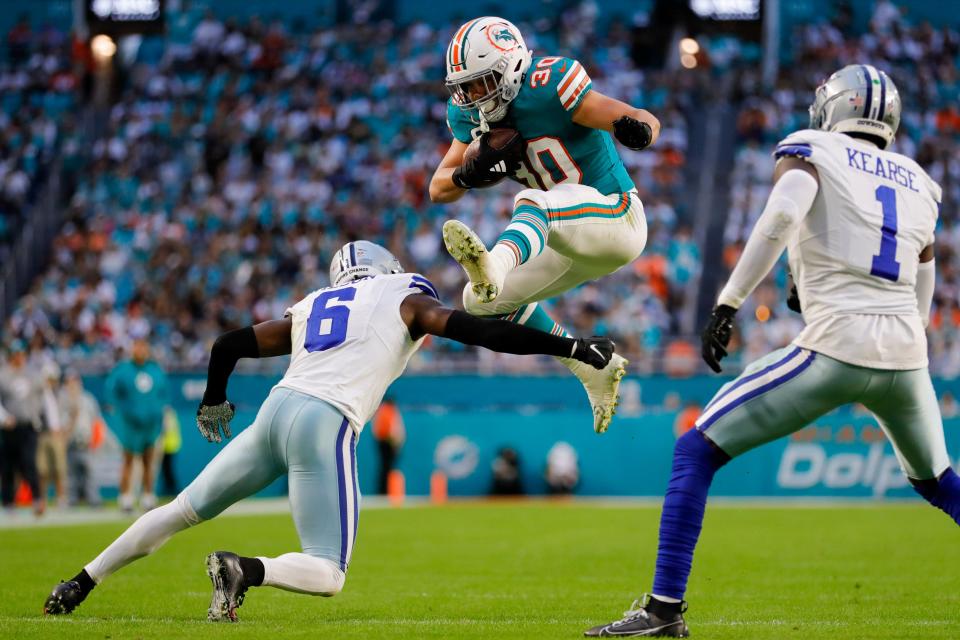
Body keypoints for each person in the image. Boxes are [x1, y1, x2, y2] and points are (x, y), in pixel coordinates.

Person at [43, 240, 616, 621]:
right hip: (325, 420)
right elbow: (480, 332)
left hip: (275, 413)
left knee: (179, 510)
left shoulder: (315, 302)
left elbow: (228, 344)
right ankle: (245, 570)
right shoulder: (403, 296)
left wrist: (214, 397)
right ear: (387, 269)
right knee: (328, 573)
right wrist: (568, 345)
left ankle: (78, 584)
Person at [584, 65, 959, 638]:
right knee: (939, 484)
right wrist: (919, 342)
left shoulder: (814, 147)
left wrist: (729, 303)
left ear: (833, 108)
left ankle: (663, 613)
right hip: (904, 356)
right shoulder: (919, 180)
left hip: (835, 347)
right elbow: (924, 272)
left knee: (695, 451)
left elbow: (783, 214)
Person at [430, 17, 662, 434]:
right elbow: (438, 187)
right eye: (464, 87)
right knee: (479, 302)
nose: (472, 97)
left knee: (535, 203)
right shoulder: (471, 117)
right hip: (560, 240)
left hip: (617, 217)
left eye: (481, 83)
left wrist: (640, 130)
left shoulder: (551, 84)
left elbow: (639, 116)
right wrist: (468, 173)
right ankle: (588, 365)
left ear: (511, 67)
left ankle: (495, 263)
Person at [105, 339, 169, 512]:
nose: (140, 350)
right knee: (128, 459)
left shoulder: (155, 371)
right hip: (130, 424)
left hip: (150, 424)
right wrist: (121, 411)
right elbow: (111, 392)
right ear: (132, 348)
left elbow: (164, 395)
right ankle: (125, 498)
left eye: (143, 346)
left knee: (148, 460)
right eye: (137, 346)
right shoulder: (123, 370)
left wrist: (159, 414)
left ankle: (148, 497)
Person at [0, 341, 44, 515]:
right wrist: (4, 419)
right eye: (16, 354)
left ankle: (37, 500)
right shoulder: (3, 375)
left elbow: (42, 398)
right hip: (10, 427)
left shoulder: (32, 375)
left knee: (29, 463)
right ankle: (9, 502)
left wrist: (38, 416)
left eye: (22, 354)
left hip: (29, 426)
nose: (19, 357)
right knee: (8, 466)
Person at [59, 369, 104, 507]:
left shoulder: (87, 399)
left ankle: (94, 500)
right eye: (70, 382)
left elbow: (96, 420)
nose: (72, 384)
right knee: (70, 475)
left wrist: (95, 439)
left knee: (90, 473)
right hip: (69, 442)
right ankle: (71, 500)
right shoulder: (62, 399)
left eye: (75, 381)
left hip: (85, 441)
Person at [36, 362, 68, 509]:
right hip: (43, 434)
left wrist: (62, 430)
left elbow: (63, 414)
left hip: (57, 434)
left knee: (59, 469)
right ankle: (41, 499)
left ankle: (61, 499)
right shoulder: (38, 394)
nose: (51, 381)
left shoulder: (59, 394)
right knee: (43, 469)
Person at [371, 397, 405, 495]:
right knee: (387, 467)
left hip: (381, 441)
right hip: (388, 442)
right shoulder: (390, 411)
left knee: (384, 467)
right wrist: (396, 443)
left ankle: (383, 490)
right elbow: (393, 430)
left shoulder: (381, 411)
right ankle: (385, 491)